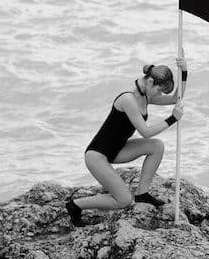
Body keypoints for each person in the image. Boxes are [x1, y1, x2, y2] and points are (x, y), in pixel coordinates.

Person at [67, 59, 187, 225]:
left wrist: (184, 72)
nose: (160, 95)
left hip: (118, 149)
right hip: (97, 156)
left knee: (157, 146)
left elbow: (176, 98)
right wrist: (173, 118)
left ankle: (142, 194)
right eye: (160, 90)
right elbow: (145, 132)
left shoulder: (146, 96)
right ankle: (75, 205)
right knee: (123, 200)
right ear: (151, 82)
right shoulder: (128, 100)